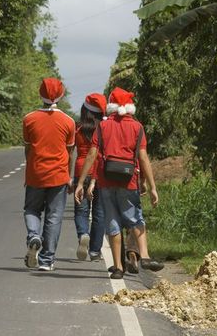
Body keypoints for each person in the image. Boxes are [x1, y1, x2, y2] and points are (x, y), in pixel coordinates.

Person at [75, 87, 163, 279]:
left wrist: (81, 182)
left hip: (106, 182)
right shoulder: (137, 127)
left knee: (112, 223)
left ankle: (118, 268)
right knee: (135, 218)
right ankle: (145, 256)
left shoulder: (103, 126)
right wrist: (152, 186)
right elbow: (143, 158)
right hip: (128, 181)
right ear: (130, 106)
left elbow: (92, 154)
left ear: (112, 105)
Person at [23, 78, 75, 272]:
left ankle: (33, 236)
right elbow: (69, 153)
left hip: (36, 174)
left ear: (40, 94)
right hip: (59, 176)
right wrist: (69, 177)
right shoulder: (69, 122)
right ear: (61, 96)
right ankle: (46, 260)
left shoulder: (29, 119)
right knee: (54, 216)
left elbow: (28, 150)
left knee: (31, 210)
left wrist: (30, 171)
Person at [72, 93, 107, 262]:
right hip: (100, 172)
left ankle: (83, 234)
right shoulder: (105, 128)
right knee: (100, 212)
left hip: (81, 171)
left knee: (81, 210)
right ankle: (94, 251)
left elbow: (71, 150)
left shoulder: (77, 128)